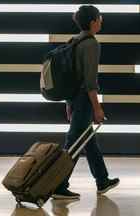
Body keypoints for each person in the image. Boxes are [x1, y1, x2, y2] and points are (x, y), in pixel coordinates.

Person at [52, 5, 120, 200]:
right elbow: (90, 82)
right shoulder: (91, 44)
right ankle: (59, 186)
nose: (101, 20)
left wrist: (68, 103)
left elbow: (70, 77)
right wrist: (97, 108)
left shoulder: (74, 41)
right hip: (84, 100)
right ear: (92, 22)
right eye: (99, 18)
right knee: (73, 144)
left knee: (87, 141)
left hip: (74, 99)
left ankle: (102, 180)